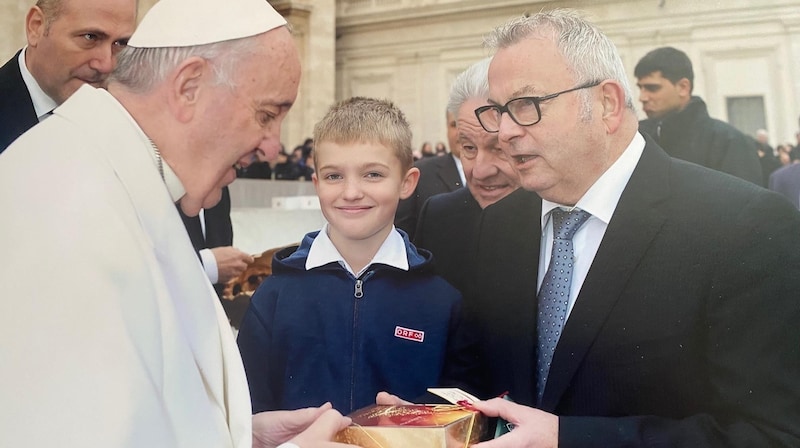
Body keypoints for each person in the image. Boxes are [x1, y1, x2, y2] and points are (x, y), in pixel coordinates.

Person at [0, 0, 355, 446]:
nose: (271, 148)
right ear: (188, 87)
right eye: (266, 115)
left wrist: (238, 436)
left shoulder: (117, 180)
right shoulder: (60, 209)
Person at [462, 9, 799, 447]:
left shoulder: (743, 228)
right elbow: (486, 379)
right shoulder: (500, 224)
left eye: (527, 106)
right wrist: (425, 423)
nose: (504, 131)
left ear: (606, 104)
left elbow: (771, 434)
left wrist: (569, 439)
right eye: (498, 110)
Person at [237, 97, 468, 415]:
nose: (351, 192)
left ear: (407, 183)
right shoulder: (273, 297)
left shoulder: (442, 302)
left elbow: (459, 416)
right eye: (334, 176)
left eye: (373, 174)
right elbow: (247, 414)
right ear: (316, 184)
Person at [414, 56, 519, 296]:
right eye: (469, 148)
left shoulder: (565, 220)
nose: (479, 171)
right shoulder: (440, 217)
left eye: (499, 148)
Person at [0, 0, 137, 152]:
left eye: (120, 43)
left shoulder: (133, 124)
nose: (106, 65)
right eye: (90, 37)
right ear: (36, 26)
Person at [635, 46, 764, 186]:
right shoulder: (637, 139)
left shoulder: (728, 142)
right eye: (640, 88)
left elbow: (746, 203)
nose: (642, 97)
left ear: (683, 87)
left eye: (652, 88)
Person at [395, 110, 465, 240]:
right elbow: (403, 231)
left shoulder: (504, 170)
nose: (461, 132)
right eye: (454, 125)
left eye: (467, 124)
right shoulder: (422, 173)